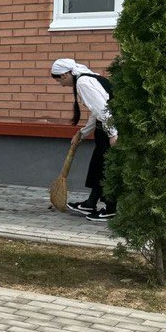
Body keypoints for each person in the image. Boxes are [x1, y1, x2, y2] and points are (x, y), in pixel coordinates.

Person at [50, 59, 117, 221]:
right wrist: (82, 133)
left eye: (59, 80)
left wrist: (113, 134)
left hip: (109, 130)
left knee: (106, 170)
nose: (61, 84)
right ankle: (90, 203)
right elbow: (96, 111)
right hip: (104, 129)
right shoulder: (89, 78)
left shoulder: (83, 83)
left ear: (65, 75)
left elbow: (103, 110)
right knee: (97, 167)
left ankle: (110, 209)